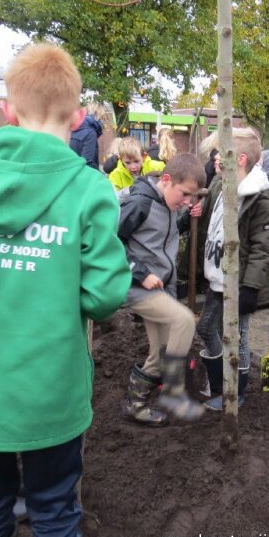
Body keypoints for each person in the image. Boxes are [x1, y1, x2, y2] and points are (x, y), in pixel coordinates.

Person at [0, 43, 131, 537]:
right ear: (78, 114)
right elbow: (106, 295)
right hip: (50, 391)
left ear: (9, 110)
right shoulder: (89, 189)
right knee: (54, 511)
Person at [118, 153, 206, 425]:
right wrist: (140, 273)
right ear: (166, 180)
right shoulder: (140, 203)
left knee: (161, 351)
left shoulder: (169, 205)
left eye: (193, 197)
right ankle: (173, 392)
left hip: (161, 287)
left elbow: (158, 236)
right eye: (185, 194)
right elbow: (109, 243)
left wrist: (185, 218)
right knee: (183, 320)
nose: (187, 201)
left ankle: (136, 406)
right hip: (137, 287)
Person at [196, 128, 269, 410]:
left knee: (237, 338)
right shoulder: (221, 185)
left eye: (222, 152)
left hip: (238, 283)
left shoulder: (259, 200)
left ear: (240, 158)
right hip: (216, 277)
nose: (217, 158)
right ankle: (221, 383)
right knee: (207, 327)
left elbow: (262, 248)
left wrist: (250, 288)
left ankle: (236, 392)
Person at [68, 101, 104, 169]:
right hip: (85, 177)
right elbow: (88, 163)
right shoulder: (90, 133)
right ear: (97, 115)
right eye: (102, 118)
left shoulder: (70, 130)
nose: (102, 122)